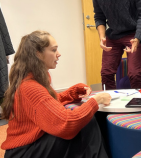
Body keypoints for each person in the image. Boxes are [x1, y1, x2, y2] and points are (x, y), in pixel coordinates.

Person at [1, 30, 111, 158]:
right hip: (23, 152)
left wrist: (71, 93)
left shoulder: (34, 78)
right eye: (53, 50)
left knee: (86, 122)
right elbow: (66, 124)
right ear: (38, 54)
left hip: (28, 147)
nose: (58, 54)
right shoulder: (31, 87)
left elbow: (46, 105)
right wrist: (96, 100)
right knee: (85, 122)